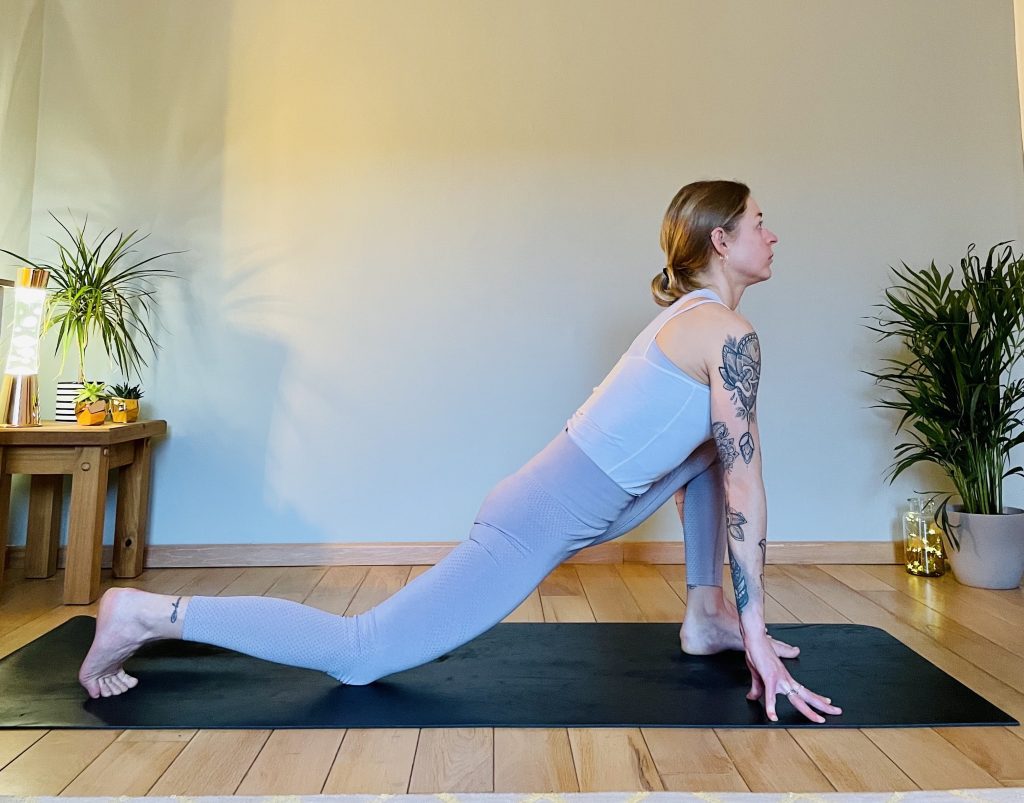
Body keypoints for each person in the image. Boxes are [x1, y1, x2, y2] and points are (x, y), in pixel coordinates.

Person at [79, 179, 842, 724]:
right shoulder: (726, 335)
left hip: (547, 502)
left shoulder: (693, 323)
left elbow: (709, 472)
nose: (772, 234)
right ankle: (148, 611)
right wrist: (761, 642)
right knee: (360, 650)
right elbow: (748, 493)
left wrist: (725, 613)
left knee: (712, 451)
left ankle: (703, 615)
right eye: (759, 221)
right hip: (533, 521)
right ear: (722, 240)